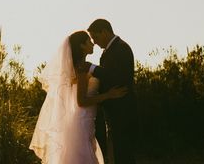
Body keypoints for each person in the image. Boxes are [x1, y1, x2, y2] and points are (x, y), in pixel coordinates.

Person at [30, 31, 127, 163]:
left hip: (85, 119)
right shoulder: (81, 69)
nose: (92, 44)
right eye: (89, 41)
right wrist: (108, 95)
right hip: (82, 119)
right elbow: (81, 101)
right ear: (82, 46)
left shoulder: (80, 67)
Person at [88, 19, 137, 164]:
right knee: (117, 155)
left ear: (104, 32)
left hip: (123, 112)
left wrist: (92, 68)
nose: (95, 42)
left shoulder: (121, 48)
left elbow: (118, 77)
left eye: (95, 37)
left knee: (124, 155)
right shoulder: (109, 51)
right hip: (114, 113)